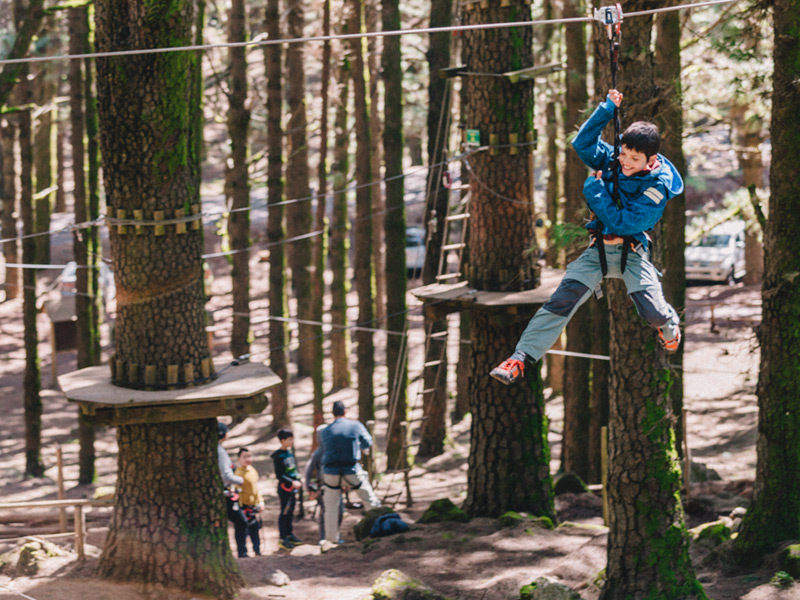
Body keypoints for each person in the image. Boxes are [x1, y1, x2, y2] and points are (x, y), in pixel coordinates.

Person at [490, 89, 683, 385]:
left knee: (654, 314)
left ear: (651, 159)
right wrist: (607, 109)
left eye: (634, 158)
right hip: (598, 252)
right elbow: (582, 143)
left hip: (632, 252)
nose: (626, 162)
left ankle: (669, 326)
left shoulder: (659, 187)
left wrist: (594, 191)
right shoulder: (612, 162)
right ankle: (520, 358)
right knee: (560, 302)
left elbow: (624, 222)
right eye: (623, 153)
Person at [319, 401, 381, 552]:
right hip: (351, 469)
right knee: (370, 500)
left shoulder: (325, 430)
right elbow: (368, 441)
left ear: (333, 413)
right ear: (345, 411)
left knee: (331, 507)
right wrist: (357, 447)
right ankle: (380, 529)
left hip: (330, 473)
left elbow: (324, 447)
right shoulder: (355, 425)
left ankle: (331, 540)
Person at [304, 425, 344, 545]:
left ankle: (334, 535)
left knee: (339, 510)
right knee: (326, 511)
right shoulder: (318, 453)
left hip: (336, 484)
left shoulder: (333, 450)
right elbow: (309, 471)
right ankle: (324, 537)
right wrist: (310, 488)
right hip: (323, 487)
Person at [271, 428, 303, 551]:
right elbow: (280, 475)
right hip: (285, 488)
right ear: (283, 440)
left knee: (290, 511)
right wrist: (291, 482)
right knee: (284, 512)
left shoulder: (290, 453)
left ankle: (290, 534)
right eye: (289, 439)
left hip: (292, 489)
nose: (292, 441)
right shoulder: (278, 456)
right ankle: (283, 537)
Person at [217, 421, 248, 539]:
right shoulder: (219, 451)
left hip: (226, 490)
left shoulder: (219, 449)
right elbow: (226, 475)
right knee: (241, 522)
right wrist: (240, 480)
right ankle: (242, 553)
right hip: (226, 492)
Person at [233, 447, 263, 557]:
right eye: (244, 457)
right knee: (242, 531)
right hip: (242, 507)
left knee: (255, 529)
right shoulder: (238, 474)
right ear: (239, 459)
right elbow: (236, 491)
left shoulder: (252, 471)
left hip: (253, 506)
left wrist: (260, 501)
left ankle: (257, 550)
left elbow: (256, 489)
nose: (247, 459)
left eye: (249, 456)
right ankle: (242, 552)